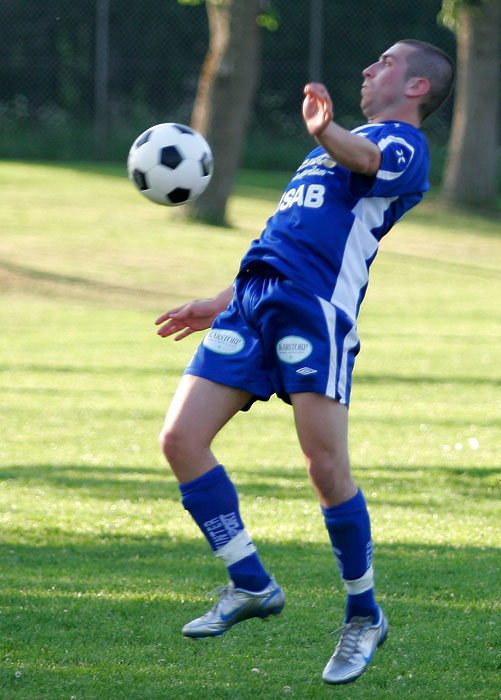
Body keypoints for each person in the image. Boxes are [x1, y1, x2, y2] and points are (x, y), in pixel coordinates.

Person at [155, 39, 454, 686]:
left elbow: (369, 157)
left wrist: (326, 131)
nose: (370, 67)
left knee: (324, 467)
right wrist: (220, 300)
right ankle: (250, 582)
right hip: (253, 302)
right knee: (180, 439)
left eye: (385, 63)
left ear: (417, 88)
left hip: (313, 313)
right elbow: (284, 236)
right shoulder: (328, 149)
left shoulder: (400, 145)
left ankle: (363, 615)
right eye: (371, 59)